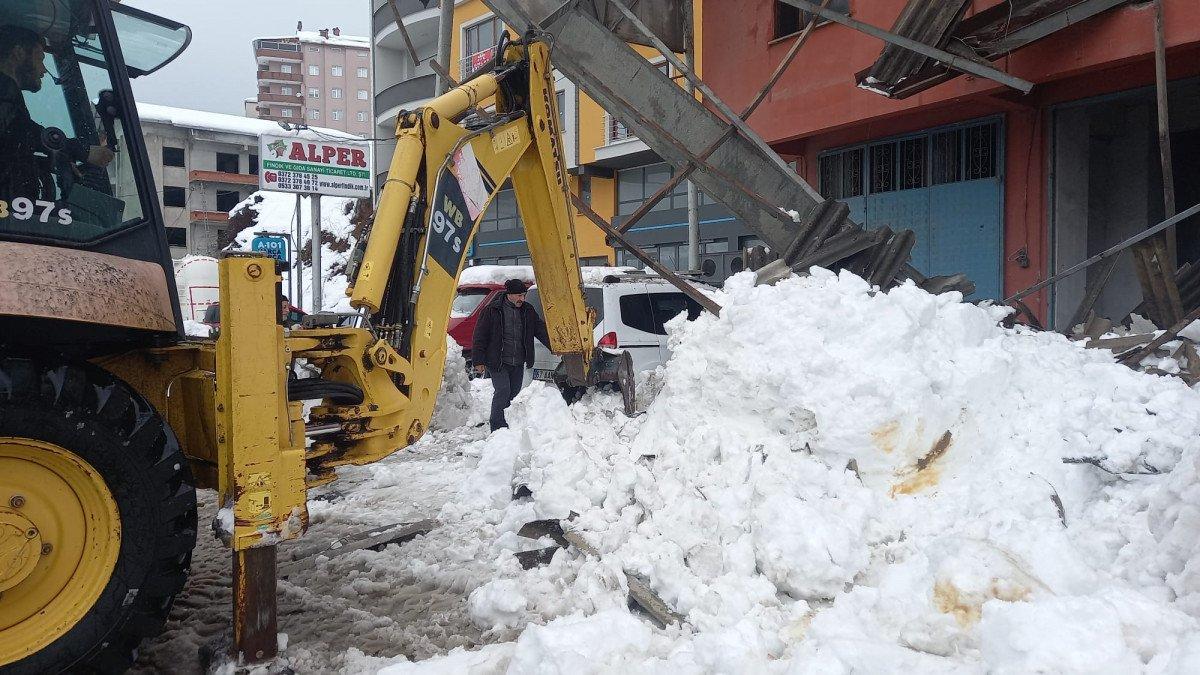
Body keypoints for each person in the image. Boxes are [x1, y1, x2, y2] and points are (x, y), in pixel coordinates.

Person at [0, 25, 114, 200]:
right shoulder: (4, 94)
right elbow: (20, 134)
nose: (44, 70)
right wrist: (82, 151)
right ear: (18, 53)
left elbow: (15, 142)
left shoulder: (9, 98)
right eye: (40, 58)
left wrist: (55, 160)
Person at [472, 278, 549, 431]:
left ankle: (509, 424)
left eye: (523, 295)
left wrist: (555, 346)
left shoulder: (528, 310)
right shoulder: (492, 310)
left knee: (513, 393)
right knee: (503, 391)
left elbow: (540, 330)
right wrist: (478, 360)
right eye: (519, 296)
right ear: (510, 294)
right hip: (497, 360)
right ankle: (497, 427)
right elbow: (480, 335)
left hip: (518, 361)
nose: (522, 299)